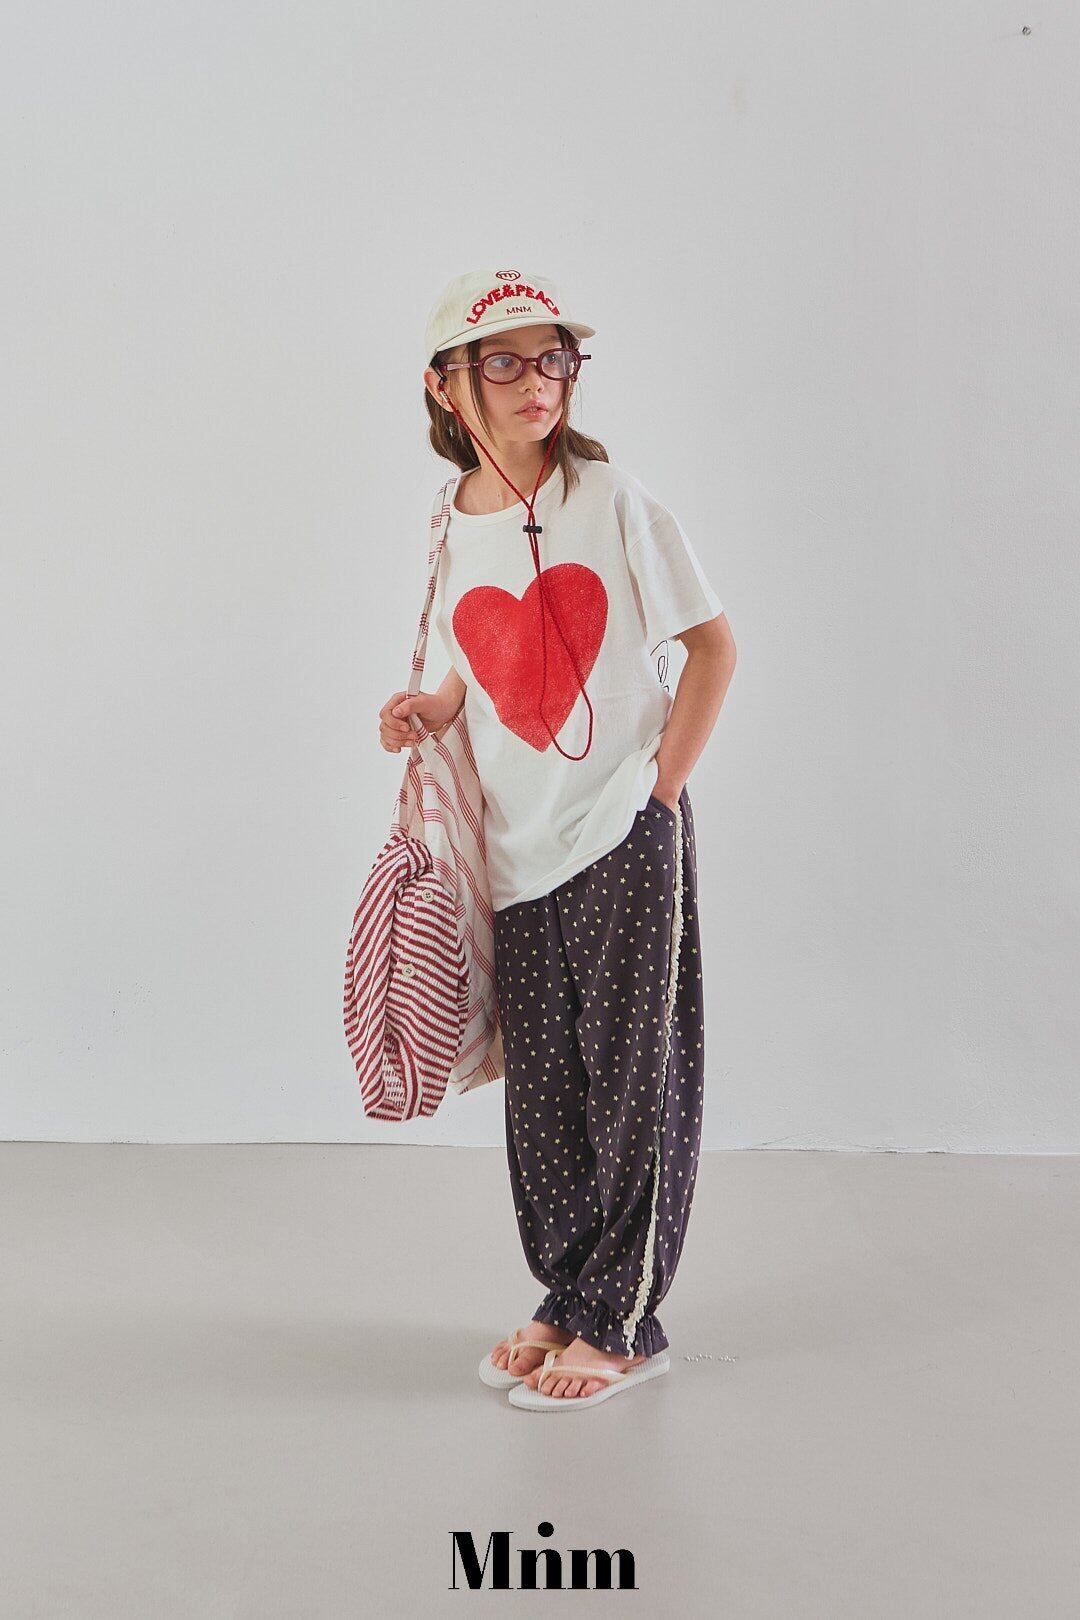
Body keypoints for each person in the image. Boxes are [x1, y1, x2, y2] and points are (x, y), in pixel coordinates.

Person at [378, 269, 737, 1406]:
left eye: (554, 359)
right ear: (446, 387)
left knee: (633, 1081)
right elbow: (471, 658)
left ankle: (624, 1320)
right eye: (505, 361)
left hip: (621, 831)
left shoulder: (613, 498)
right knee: (543, 1092)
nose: (538, 382)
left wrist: (657, 794)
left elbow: (713, 647)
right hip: (516, 846)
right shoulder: (451, 520)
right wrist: (429, 708)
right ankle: (570, 1291)